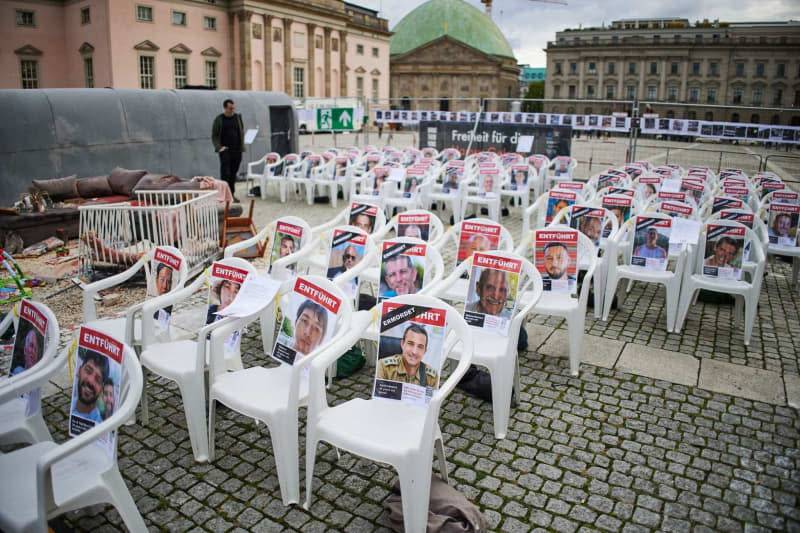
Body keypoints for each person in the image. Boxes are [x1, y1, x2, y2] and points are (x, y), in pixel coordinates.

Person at [211, 99, 245, 202]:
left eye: (233, 108)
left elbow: (241, 131)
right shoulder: (219, 119)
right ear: (225, 108)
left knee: (233, 174)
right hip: (225, 151)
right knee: (225, 174)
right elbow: (214, 135)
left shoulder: (237, 118)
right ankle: (224, 196)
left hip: (237, 150)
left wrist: (241, 146)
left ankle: (232, 194)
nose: (232, 110)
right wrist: (219, 147)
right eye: (230, 108)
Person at [71, 350, 108, 424]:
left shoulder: (100, 426)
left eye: (98, 379)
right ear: (79, 371)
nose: (91, 381)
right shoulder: (72, 405)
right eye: (88, 371)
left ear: (102, 389)